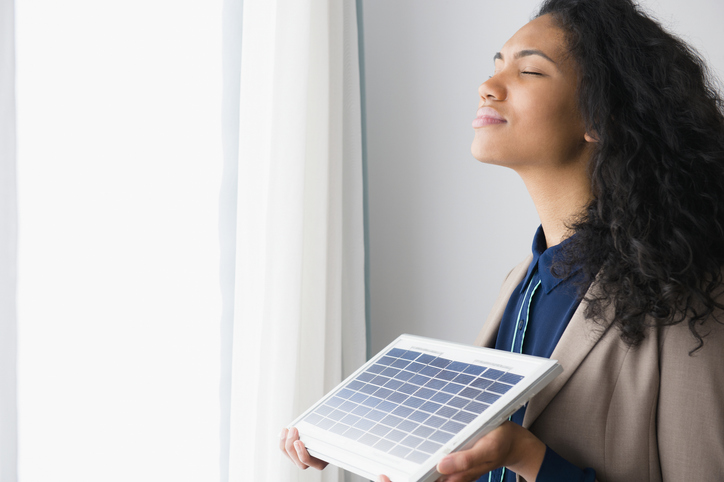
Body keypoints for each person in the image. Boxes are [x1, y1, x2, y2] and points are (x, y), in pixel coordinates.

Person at [281, 0, 724, 480]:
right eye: (495, 67)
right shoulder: (521, 281)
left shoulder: (688, 292)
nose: (487, 87)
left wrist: (529, 456)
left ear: (599, 117)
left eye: (529, 71)